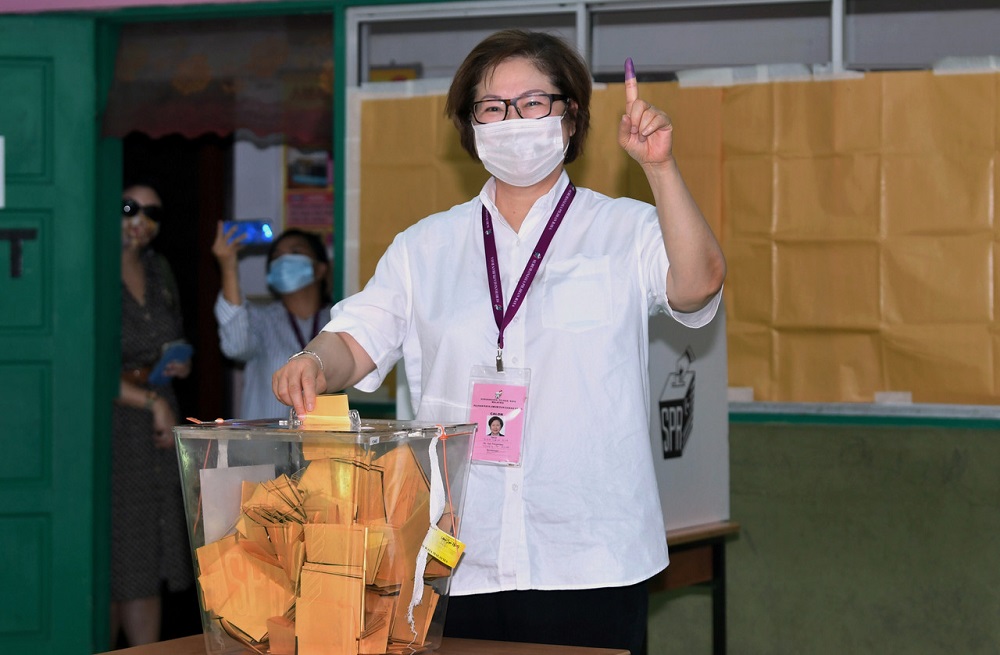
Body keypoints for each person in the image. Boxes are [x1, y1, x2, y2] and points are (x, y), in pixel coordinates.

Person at [271, 29, 726, 654]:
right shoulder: (424, 247)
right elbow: (354, 341)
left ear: (570, 118)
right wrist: (312, 361)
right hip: (458, 554)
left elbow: (698, 284)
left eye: (533, 102)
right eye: (492, 107)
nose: (512, 120)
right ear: (471, 126)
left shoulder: (624, 229)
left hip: (591, 555)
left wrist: (660, 168)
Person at [113, 182, 194, 646]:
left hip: (157, 414)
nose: (140, 220)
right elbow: (80, 365)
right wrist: (152, 402)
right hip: (113, 422)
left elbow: (169, 333)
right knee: (114, 552)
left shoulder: (157, 268)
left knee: (147, 552)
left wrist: (176, 362)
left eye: (152, 213)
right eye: (129, 208)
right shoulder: (90, 266)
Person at [212, 226, 332, 421]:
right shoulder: (260, 320)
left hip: (326, 436)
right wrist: (228, 267)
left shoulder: (338, 320)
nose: (284, 261)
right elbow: (235, 346)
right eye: (276, 256)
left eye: (295, 252)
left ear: (320, 269)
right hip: (267, 440)